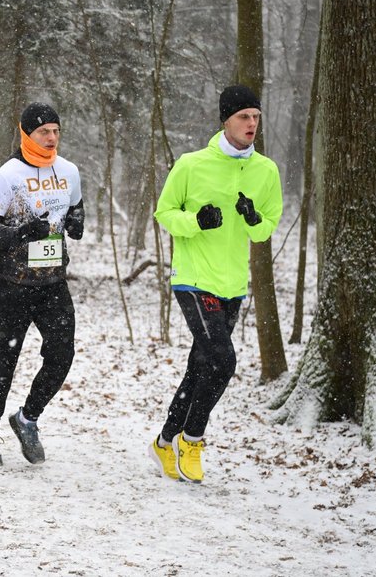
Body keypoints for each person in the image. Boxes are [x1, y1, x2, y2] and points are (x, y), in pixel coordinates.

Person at [148, 85, 282, 484]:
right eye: (244, 117)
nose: (251, 124)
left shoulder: (266, 171)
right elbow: (164, 212)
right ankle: (192, 439)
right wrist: (194, 222)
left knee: (201, 366)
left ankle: (164, 440)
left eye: (256, 117)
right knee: (223, 361)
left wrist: (254, 217)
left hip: (232, 283)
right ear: (225, 119)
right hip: (193, 279)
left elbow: (266, 228)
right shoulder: (192, 165)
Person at [0, 102, 84, 467]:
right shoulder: (8, 175)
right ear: (26, 135)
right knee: (5, 359)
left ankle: (27, 418)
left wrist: (76, 223)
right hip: (12, 285)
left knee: (61, 355)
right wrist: (21, 233)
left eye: (56, 131)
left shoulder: (68, 171)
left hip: (53, 283)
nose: (51, 138)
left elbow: (75, 207)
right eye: (43, 132)